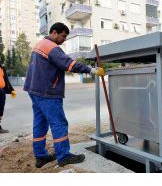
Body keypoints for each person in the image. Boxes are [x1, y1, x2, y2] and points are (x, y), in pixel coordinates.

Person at [24, 22, 105, 168]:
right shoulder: (52, 48)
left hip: (34, 90)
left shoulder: (39, 44)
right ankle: (64, 156)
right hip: (48, 92)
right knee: (59, 123)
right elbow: (70, 64)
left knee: (40, 123)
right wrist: (91, 70)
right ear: (54, 32)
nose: (64, 40)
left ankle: (40, 156)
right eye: (63, 36)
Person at [0, 64, 16, 133]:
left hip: (2, 90)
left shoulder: (2, 67)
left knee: (0, 110)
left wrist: (11, 90)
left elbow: (6, 80)